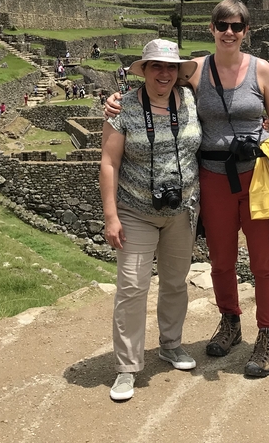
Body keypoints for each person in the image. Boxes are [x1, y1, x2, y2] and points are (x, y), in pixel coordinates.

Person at [106, 0, 269, 377]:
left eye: (237, 26)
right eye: (222, 25)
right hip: (212, 178)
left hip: (259, 175)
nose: (230, 32)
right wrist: (116, 100)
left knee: (264, 261)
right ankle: (230, 321)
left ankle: (268, 336)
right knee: (221, 260)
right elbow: (155, 84)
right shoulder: (196, 71)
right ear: (211, 29)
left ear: (246, 31)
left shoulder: (261, 71)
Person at [100, 39, 202, 402]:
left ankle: (171, 345)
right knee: (132, 287)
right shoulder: (123, 108)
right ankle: (127, 367)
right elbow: (109, 163)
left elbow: (226, 56)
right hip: (136, 210)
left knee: (175, 282)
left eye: (171, 66)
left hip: (182, 210)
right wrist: (111, 216)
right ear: (143, 70)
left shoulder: (190, 99)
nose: (164, 72)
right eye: (156, 66)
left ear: (179, 71)